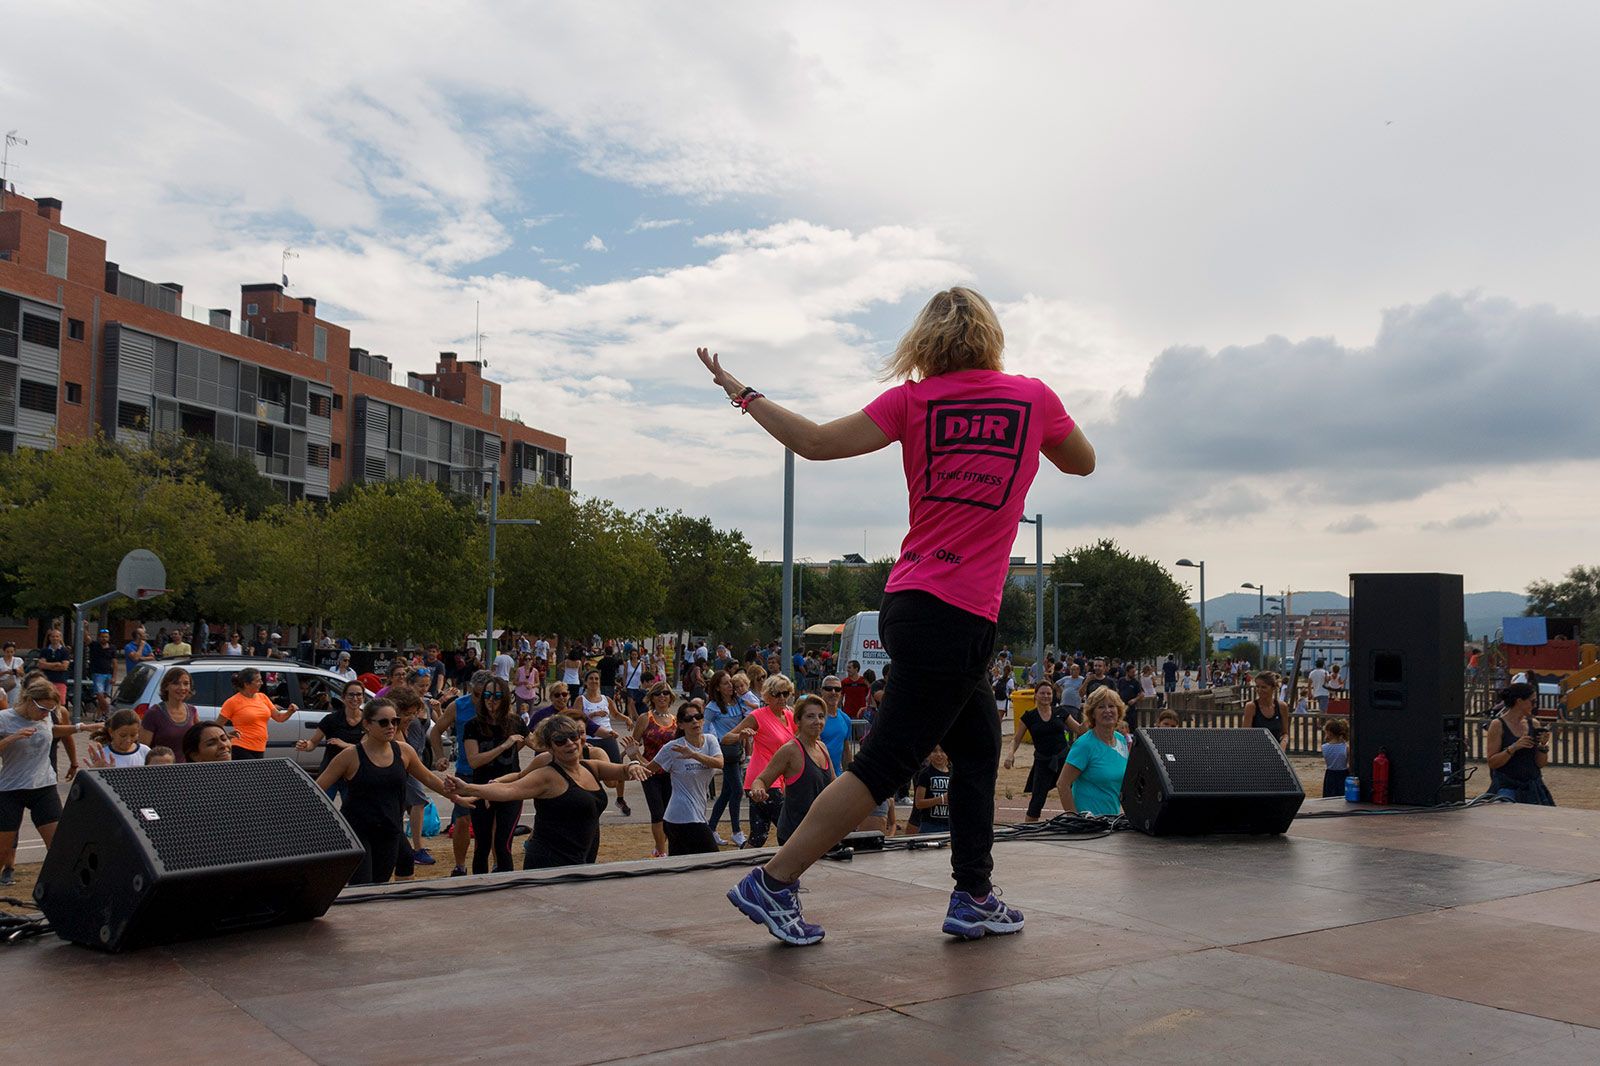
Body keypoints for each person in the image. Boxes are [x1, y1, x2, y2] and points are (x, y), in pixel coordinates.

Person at [703, 287, 1094, 944]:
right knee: (884, 764)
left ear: (923, 342)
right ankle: (772, 882)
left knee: (976, 747)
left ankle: (973, 893)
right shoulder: (1034, 398)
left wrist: (742, 393)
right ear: (992, 336)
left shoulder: (913, 401)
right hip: (958, 615)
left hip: (908, 603)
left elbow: (817, 442)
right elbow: (1083, 461)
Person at [446, 715, 647, 870]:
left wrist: (633, 764)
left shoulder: (591, 766)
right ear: (549, 747)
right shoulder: (547, 776)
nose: (569, 743)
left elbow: (623, 771)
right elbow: (511, 789)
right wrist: (469, 788)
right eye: (560, 740)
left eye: (573, 736)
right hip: (550, 861)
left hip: (583, 856)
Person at [317, 697, 463, 884]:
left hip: (390, 830)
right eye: (384, 722)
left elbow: (428, 778)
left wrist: (457, 798)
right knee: (363, 885)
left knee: (380, 884)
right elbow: (317, 788)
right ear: (367, 724)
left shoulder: (404, 752)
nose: (391, 726)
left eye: (395, 721)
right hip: (358, 831)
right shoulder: (350, 756)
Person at [0, 679, 96, 885]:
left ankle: (62, 893)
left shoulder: (47, 716)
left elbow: (52, 730)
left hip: (43, 787)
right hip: (10, 790)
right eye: (43, 709)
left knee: (59, 846)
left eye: (50, 710)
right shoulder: (5, 719)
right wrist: (12, 738)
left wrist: (81, 727)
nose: (46, 714)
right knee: (3, 850)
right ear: (28, 700)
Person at [720, 673, 798, 848]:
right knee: (789, 830)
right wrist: (741, 735)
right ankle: (787, 868)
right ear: (767, 696)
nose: (782, 698)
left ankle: (738, 867)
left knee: (758, 838)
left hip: (780, 779)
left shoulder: (790, 715)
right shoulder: (758, 716)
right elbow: (726, 738)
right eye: (777, 694)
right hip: (763, 780)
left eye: (786, 693)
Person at [462, 676, 530, 874]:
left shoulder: (515, 722)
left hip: (510, 789)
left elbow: (534, 741)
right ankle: (479, 888)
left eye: (498, 696)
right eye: (488, 695)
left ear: (506, 698)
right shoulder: (473, 726)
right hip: (482, 789)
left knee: (503, 845)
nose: (492, 700)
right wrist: (505, 746)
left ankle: (505, 886)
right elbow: (474, 760)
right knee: (481, 846)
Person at [428, 670, 492, 877]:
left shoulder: (498, 705)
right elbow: (436, 731)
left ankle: (497, 864)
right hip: (466, 771)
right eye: (477, 694)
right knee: (463, 820)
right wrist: (439, 756)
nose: (482, 699)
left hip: (493, 772)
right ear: (471, 689)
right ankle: (460, 866)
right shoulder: (459, 706)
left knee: (491, 821)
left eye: (486, 694)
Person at [750, 694, 836, 846]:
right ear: (798, 721)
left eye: (821, 716)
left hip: (819, 831)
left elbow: (834, 786)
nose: (817, 721)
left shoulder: (822, 747)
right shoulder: (790, 750)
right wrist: (758, 791)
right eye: (810, 716)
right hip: (794, 834)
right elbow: (761, 780)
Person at [645, 701, 725, 855]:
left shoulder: (710, 740)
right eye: (689, 719)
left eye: (698, 717)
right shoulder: (673, 747)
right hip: (681, 817)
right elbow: (649, 770)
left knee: (680, 868)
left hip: (693, 815)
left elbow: (719, 763)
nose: (695, 721)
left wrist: (694, 754)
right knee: (714, 858)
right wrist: (634, 756)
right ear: (680, 725)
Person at [1004, 680, 1080, 822]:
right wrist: (1010, 755)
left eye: (1049, 693)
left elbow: (1080, 729)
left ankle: (1078, 822)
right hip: (1043, 762)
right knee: (1037, 801)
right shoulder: (1029, 716)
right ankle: (1029, 831)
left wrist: (1094, 719)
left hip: (1064, 760)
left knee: (1073, 792)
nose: (1046, 696)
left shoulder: (1061, 712)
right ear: (1036, 695)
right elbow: (1016, 739)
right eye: (1042, 693)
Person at [628, 682, 682, 857]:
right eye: (658, 693)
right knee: (657, 812)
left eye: (666, 693)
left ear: (671, 697)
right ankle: (661, 851)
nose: (662, 696)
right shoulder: (646, 718)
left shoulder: (676, 721)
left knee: (670, 813)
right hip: (649, 772)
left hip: (671, 774)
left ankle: (661, 845)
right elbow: (633, 747)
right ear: (651, 697)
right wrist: (641, 762)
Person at [1056, 687, 1129, 816]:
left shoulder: (1121, 740)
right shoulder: (1084, 745)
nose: (1107, 711)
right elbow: (1063, 784)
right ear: (1093, 714)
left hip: (1112, 822)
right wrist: (1073, 818)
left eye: (1111, 706)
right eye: (1101, 707)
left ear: (1118, 711)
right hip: (1088, 826)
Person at [297, 678, 369, 801]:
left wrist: (344, 745)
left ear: (363, 697)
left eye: (359, 694)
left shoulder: (368, 721)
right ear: (343, 697)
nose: (355, 698)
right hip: (330, 772)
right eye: (351, 695)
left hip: (353, 774)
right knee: (322, 808)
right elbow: (313, 742)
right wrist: (305, 745)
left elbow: (367, 749)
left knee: (351, 813)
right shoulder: (331, 719)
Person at [1485, 682, 1555, 805]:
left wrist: (1543, 746)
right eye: (1532, 702)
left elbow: (1540, 763)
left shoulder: (1533, 723)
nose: (1534, 706)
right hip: (1507, 786)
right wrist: (1513, 748)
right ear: (1519, 701)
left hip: (1533, 786)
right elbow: (1492, 762)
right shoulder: (1498, 725)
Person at [576, 668, 632, 815]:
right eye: (591, 679)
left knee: (618, 768)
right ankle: (589, 798)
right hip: (590, 739)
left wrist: (626, 718)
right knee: (590, 770)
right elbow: (576, 718)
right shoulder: (581, 699)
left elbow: (615, 714)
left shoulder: (606, 699)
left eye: (596, 679)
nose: (594, 681)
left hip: (607, 737)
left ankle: (620, 799)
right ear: (586, 682)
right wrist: (593, 714)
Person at [705, 670, 748, 847]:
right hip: (724, 751)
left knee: (727, 792)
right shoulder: (712, 707)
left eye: (731, 682)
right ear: (717, 687)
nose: (730, 686)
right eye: (725, 683)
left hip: (737, 749)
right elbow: (705, 730)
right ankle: (736, 831)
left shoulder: (739, 702)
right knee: (738, 790)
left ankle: (711, 828)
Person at [217, 667, 299, 758]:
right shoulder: (232, 702)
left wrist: (290, 711)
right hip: (240, 746)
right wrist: (226, 736)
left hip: (260, 747)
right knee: (253, 772)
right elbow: (217, 726)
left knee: (257, 771)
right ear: (247, 684)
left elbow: (279, 717)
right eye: (258, 681)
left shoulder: (262, 697)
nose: (261, 683)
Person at [84, 709, 150, 767]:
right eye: (123, 735)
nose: (128, 740)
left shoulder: (145, 752)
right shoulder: (100, 758)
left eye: (133, 735)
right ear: (111, 732)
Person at [817, 675, 855, 776]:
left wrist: (851, 775)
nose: (833, 692)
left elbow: (846, 750)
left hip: (836, 776)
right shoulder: (814, 718)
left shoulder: (845, 719)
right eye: (829, 689)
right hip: (816, 776)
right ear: (821, 691)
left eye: (837, 689)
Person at [1243, 672, 1288, 751]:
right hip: (1256, 752)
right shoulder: (1251, 707)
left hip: (1276, 752)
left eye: (1264, 687)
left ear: (1273, 688)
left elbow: (1285, 733)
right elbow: (1245, 735)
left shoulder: (1282, 707)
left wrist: (1283, 745)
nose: (1259, 690)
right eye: (1257, 687)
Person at [88, 629, 117, 720]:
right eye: (102, 636)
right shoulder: (95, 645)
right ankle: (110, 711)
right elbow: (86, 638)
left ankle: (100, 716)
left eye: (106, 637)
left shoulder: (112, 648)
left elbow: (115, 663)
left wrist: (114, 676)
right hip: (97, 674)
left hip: (108, 674)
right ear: (99, 637)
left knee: (104, 696)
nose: (104, 638)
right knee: (99, 694)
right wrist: (86, 627)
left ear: (109, 638)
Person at [37, 628, 71, 701]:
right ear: (49, 638)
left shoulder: (64, 651)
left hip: (60, 680)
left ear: (60, 638)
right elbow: (41, 665)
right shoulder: (44, 651)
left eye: (57, 636)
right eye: (53, 636)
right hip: (46, 680)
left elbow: (64, 667)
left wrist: (47, 665)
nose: (55, 638)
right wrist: (57, 664)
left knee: (60, 703)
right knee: (45, 702)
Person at [1320, 718, 1349, 798]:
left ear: (1329, 732)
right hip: (1343, 774)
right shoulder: (1346, 747)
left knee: (1329, 797)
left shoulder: (1324, 747)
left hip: (1330, 774)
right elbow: (1349, 764)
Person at [513, 653, 541, 720]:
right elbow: (514, 682)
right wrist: (522, 682)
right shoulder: (519, 670)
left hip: (530, 695)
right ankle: (519, 727)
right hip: (520, 694)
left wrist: (532, 686)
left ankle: (528, 727)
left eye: (529, 659)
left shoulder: (535, 671)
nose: (527, 661)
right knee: (520, 713)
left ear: (532, 661)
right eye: (526, 659)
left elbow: (538, 683)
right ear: (524, 661)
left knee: (529, 713)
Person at [0, 642, 23, 708]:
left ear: (14, 652)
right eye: (7, 652)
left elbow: (22, 674)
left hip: (15, 685)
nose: (9, 654)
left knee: (14, 705)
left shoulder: (18, 660)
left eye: (11, 652)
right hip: (3, 685)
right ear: (4, 651)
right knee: (3, 705)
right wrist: (5, 672)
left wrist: (17, 671)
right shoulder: (0, 661)